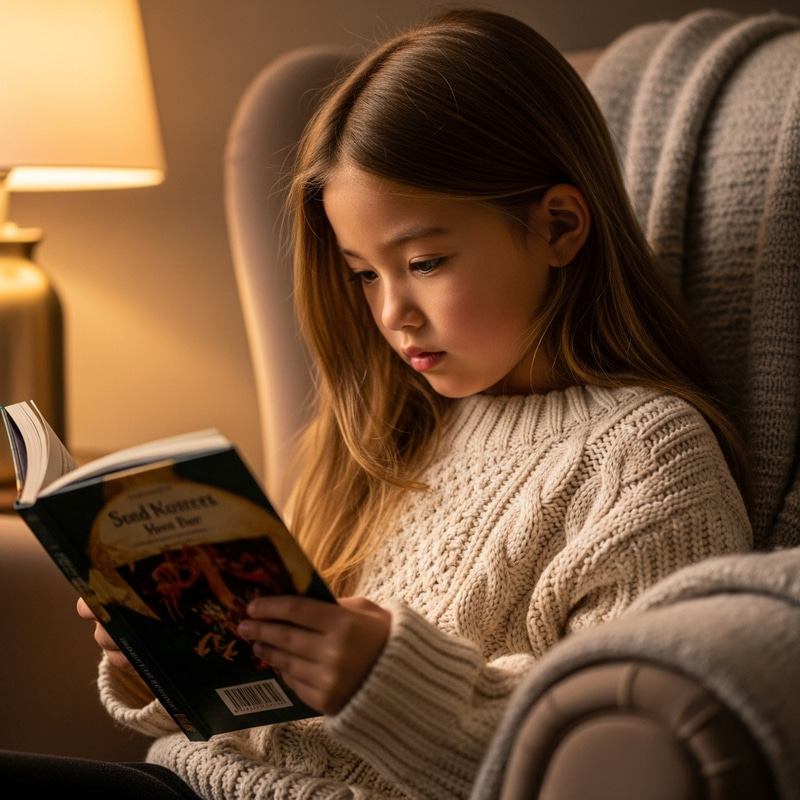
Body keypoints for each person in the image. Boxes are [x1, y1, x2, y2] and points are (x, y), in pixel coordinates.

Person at [1, 7, 752, 799]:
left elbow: (622, 759)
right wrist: (164, 657)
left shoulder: (647, 458)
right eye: (364, 273)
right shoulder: (390, 429)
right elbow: (270, 720)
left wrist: (382, 682)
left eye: (424, 261)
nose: (391, 312)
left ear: (561, 226)